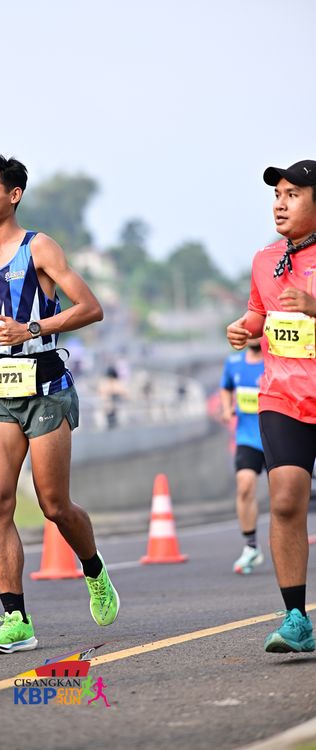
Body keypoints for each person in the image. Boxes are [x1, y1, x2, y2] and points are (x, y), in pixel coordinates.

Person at [0, 153, 120, 655]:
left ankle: (94, 569)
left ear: (13, 195)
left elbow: (90, 308)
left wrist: (32, 328)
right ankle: (16, 619)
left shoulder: (40, 247)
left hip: (46, 386)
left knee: (54, 504)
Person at [227, 159, 316, 654]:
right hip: (282, 396)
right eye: (277, 195)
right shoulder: (266, 259)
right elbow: (258, 314)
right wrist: (243, 328)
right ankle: (296, 619)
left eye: (293, 195)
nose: (280, 205)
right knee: (284, 501)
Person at [220, 338, 265, 574]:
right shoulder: (234, 362)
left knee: (287, 496)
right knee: (245, 486)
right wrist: (227, 408)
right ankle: (251, 546)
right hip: (248, 438)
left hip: (278, 436)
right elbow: (226, 386)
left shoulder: (275, 362)